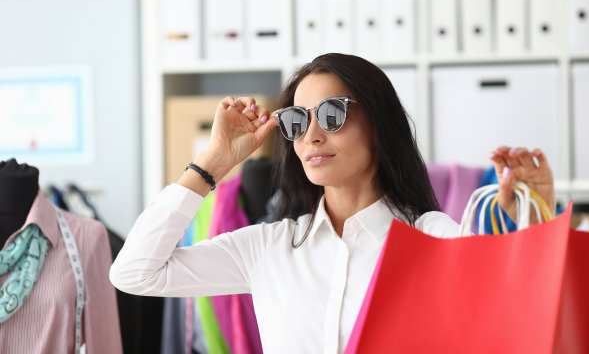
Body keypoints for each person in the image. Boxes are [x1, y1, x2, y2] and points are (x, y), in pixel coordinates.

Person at [110, 53, 555, 353]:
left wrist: (537, 213)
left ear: (378, 126)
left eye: (332, 114)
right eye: (297, 120)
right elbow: (135, 273)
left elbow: (522, 305)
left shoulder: (433, 236)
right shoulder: (268, 247)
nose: (311, 135)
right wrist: (213, 162)